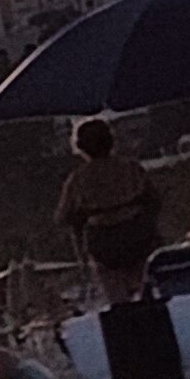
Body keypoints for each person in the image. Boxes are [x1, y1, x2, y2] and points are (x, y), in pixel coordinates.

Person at [54, 116, 162, 307]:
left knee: (118, 300)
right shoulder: (130, 168)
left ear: (81, 147)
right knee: (148, 289)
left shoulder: (78, 179)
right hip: (137, 234)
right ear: (112, 141)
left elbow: (62, 217)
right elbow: (154, 200)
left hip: (104, 241)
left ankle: (127, 327)